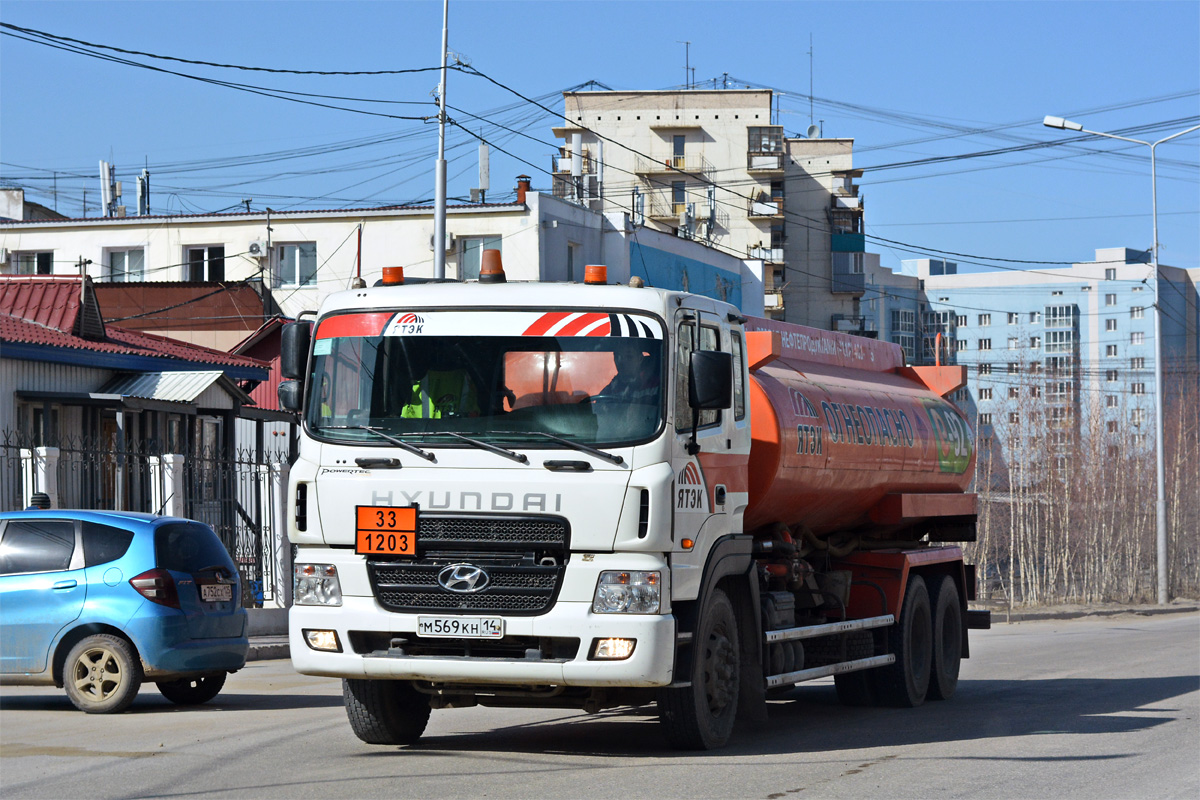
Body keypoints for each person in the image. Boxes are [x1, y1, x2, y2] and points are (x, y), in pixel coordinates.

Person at [401, 341, 480, 419]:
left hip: (418, 431)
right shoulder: (467, 380)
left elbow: (403, 423)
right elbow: (474, 417)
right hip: (462, 431)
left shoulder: (417, 382)